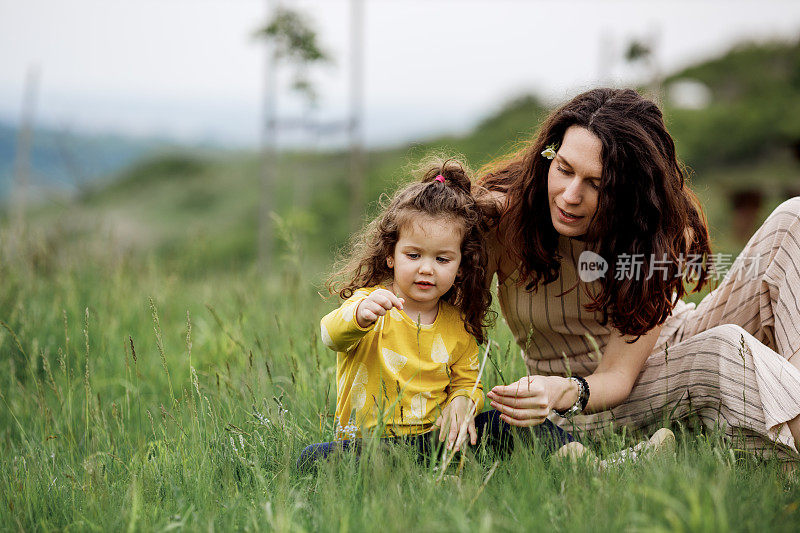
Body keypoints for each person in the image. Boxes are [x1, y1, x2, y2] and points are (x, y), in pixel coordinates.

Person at [480, 87, 800, 460]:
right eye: (564, 169)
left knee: (794, 218)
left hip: (674, 342)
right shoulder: (501, 218)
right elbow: (614, 379)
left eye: (596, 184)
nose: (569, 195)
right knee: (726, 349)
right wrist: (555, 391)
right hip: (585, 396)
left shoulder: (655, 231)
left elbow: (626, 365)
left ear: (631, 194)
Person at [297, 159, 574, 470]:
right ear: (390, 254)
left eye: (442, 259)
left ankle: (584, 464)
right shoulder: (370, 303)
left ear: (460, 266)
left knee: (513, 423)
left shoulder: (458, 323)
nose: (426, 268)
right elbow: (330, 334)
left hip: (437, 443)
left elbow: (468, 382)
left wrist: (463, 402)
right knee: (314, 458)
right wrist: (360, 314)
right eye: (413, 255)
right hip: (372, 446)